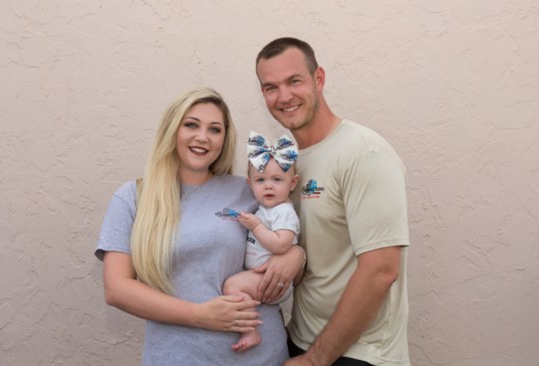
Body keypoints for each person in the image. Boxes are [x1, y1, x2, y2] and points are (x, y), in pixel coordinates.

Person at [95, 87, 305, 365]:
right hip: (179, 357)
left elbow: (288, 246)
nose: (203, 137)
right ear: (172, 130)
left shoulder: (247, 191)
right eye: (191, 125)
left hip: (263, 356)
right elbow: (117, 290)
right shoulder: (133, 198)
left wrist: (295, 256)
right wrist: (199, 315)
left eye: (215, 129)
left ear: (224, 139)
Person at [255, 37, 411, 366]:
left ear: (319, 78)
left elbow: (381, 270)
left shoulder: (363, 152)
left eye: (294, 81)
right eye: (271, 87)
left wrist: (316, 359)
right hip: (302, 341)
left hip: (358, 354)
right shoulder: (287, 165)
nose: (284, 96)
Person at [223, 132, 301, 353]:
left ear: (293, 183)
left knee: (232, 286)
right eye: (261, 180)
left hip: (271, 279)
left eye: (277, 180)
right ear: (250, 183)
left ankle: (250, 331)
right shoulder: (266, 209)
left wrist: (256, 226)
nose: (268, 186)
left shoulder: (284, 212)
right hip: (262, 275)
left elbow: (282, 245)